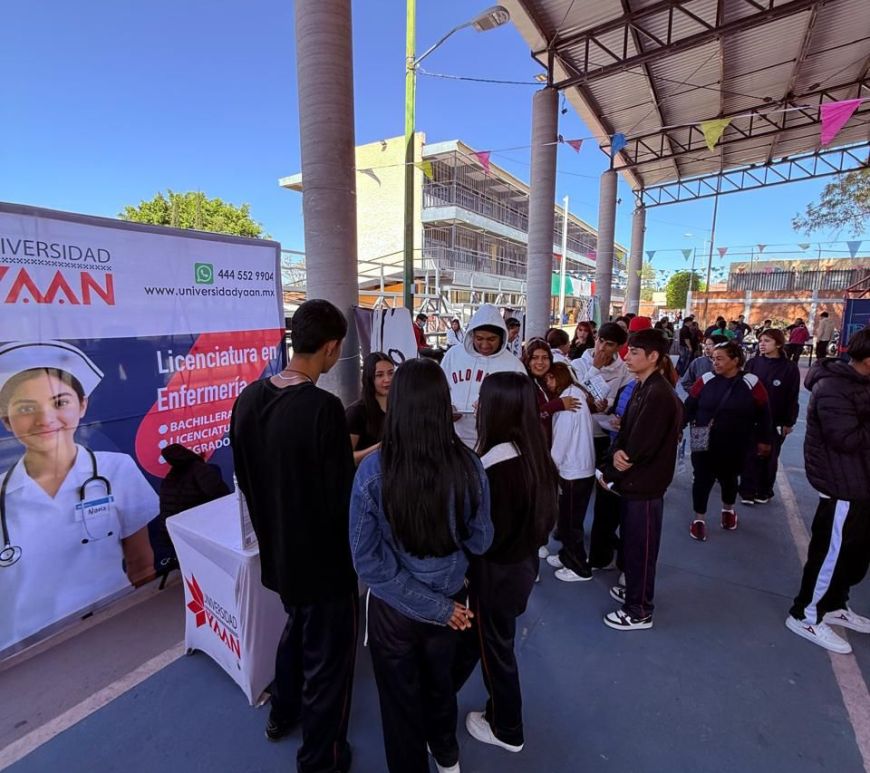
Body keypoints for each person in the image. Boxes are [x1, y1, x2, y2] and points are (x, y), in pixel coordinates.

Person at [230, 299, 358, 772]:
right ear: (331, 347)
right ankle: (322, 759)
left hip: (278, 555)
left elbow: (245, 480)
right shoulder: (323, 408)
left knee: (296, 632)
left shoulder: (247, 399)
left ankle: (282, 713)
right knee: (329, 664)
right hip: (325, 564)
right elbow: (342, 497)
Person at [349, 358, 492, 773]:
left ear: (397, 405)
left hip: (393, 612)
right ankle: (446, 756)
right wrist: (443, 603)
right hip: (453, 603)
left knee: (399, 705)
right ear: (443, 404)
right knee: (440, 687)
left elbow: (367, 561)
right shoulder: (469, 465)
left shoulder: (373, 472)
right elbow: (482, 539)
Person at [0, 341, 157, 653]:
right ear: (6, 420)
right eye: (26, 408)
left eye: (60, 402)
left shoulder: (117, 470)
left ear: (82, 406)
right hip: (27, 651)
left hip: (117, 621)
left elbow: (140, 559)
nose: (45, 419)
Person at [452, 372, 558, 755]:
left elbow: (482, 536)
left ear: (499, 408)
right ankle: (441, 694)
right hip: (519, 569)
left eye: (483, 399)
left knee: (495, 649)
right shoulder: (532, 453)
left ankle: (507, 727)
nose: (476, 405)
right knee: (480, 640)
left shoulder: (495, 468)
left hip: (494, 577)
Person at [785, 329, 870, 654]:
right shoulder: (833, 387)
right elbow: (845, 439)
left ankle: (834, 604)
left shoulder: (860, 384)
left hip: (859, 484)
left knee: (852, 553)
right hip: (842, 485)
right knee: (830, 554)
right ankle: (805, 615)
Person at [598, 329, 683, 630]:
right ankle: (634, 592)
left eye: (634, 352)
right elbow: (625, 432)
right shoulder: (641, 387)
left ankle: (639, 610)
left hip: (645, 485)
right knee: (633, 545)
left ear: (653, 356)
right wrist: (616, 456)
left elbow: (639, 446)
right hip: (634, 483)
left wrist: (613, 469)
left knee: (641, 549)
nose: (627, 357)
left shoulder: (658, 394)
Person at [684, 341, 772, 541]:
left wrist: (765, 440)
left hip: (737, 440)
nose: (715, 362)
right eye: (713, 359)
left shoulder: (751, 382)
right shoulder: (705, 379)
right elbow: (689, 406)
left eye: (720, 359)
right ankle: (699, 520)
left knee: (729, 477)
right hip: (701, 436)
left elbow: (765, 413)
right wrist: (677, 428)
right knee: (701, 478)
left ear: (735, 360)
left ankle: (728, 510)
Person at [571, 323, 632, 569]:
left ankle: (602, 542)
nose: (602, 348)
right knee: (577, 488)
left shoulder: (624, 370)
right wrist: (595, 368)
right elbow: (574, 392)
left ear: (619, 347)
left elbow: (622, 399)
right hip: (578, 433)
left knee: (605, 492)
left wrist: (611, 409)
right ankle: (569, 534)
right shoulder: (579, 363)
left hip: (604, 435)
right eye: (600, 341)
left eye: (610, 344)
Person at [440, 304, 526, 449]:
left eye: (491, 339)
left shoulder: (513, 365)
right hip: (454, 438)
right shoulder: (453, 355)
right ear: (471, 335)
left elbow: (522, 405)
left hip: (494, 444)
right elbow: (439, 390)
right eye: (479, 338)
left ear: (502, 337)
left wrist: (495, 410)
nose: (485, 345)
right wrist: (446, 408)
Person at [543, 362, 596, 582]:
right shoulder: (576, 394)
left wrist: (550, 468)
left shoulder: (568, 403)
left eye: (550, 378)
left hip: (573, 470)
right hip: (580, 467)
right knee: (570, 518)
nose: (548, 383)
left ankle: (579, 567)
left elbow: (561, 441)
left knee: (570, 522)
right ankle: (566, 555)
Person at [739, 329, 800, 506]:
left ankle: (764, 490)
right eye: (761, 341)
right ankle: (747, 490)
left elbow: (792, 396)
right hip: (751, 419)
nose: (762, 344)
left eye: (767, 341)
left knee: (769, 456)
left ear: (778, 344)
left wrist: (789, 421)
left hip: (775, 420)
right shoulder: (753, 363)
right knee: (749, 454)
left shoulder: (789, 368)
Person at [154, 443, 229, 575]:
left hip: (172, 536)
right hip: (198, 535)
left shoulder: (169, 478)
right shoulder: (201, 470)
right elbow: (223, 498)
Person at [523, 339, 580, 448]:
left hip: (553, 446)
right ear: (527, 361)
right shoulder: (523, 384)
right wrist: (557, 405)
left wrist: (595, 407)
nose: (540, 362)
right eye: (535, 358)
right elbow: (527, 418)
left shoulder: (548, 381)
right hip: (532, 448)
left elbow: (574, 404)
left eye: (545, 357)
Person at [346, 352, 394, 466]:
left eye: (391, 373)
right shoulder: (356, 412)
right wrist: (378, 448)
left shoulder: (400, 407)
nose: (387, 379)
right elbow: (345, 457)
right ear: (369, 378)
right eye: (379, 375)